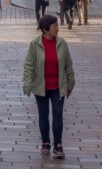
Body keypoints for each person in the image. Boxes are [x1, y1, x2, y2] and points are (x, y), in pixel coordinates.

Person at [22, 14, 75, 160]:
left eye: (57, 25)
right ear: (45, 29)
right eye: (54, 26)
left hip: (58, 86)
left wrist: (71, 83)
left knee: (58, 114)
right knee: (43, 116)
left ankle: (58, 145)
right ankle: (46, 142)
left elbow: (68, 65)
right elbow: (28, 65)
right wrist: (27, 84)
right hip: (41, 86)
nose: (57, 28)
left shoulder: (62, 44)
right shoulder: (35, 44)